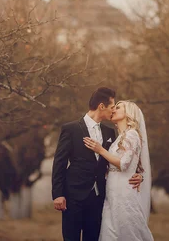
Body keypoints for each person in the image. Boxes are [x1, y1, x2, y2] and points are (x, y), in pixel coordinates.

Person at [52, 87, 144, 241]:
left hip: (99, 197)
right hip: (73, 195)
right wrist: (58, 194)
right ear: (102, 106)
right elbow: (59, 162)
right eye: (112, 107)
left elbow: (119, 160)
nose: (113, 110)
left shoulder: (109, 132)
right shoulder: (71, 129)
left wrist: (139, 175)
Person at [83, 100, 153, 241]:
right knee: (110, 233)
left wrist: (100, 149)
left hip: (124, 192)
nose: (113, 109)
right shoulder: (120, 137)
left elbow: (124, 163)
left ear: (128, 113)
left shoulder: (132, 134)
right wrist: (139, 175)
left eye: (118, 107)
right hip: (112, 192)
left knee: (128, 231)